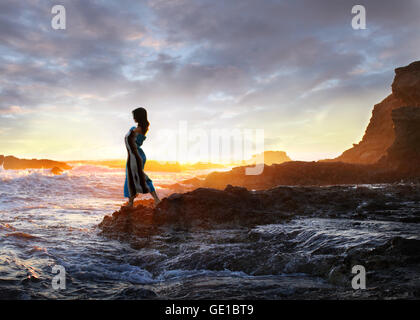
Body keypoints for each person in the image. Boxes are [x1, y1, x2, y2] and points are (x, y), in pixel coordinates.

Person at [124, 107, 160, 207]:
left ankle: (156, 199)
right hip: (133, 156)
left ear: (138, 116)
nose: (133, 118)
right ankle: (131, 202)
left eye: (134, 116)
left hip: (136, 157)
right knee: (131, 177)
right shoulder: (139, 129)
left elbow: (130, 138)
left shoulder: (138, 130)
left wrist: (131, 130)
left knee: (139, 177)